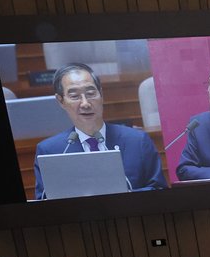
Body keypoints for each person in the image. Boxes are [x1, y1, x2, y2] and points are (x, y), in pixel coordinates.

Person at [33, 63, 167, 199]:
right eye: (75, 96)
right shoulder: (49, 151)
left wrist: (127, 197)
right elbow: (44, 201)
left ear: (101, 94)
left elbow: (159, 190)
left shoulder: (137, 141)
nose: (85, 103)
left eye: (91, 94)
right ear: (61, 101)